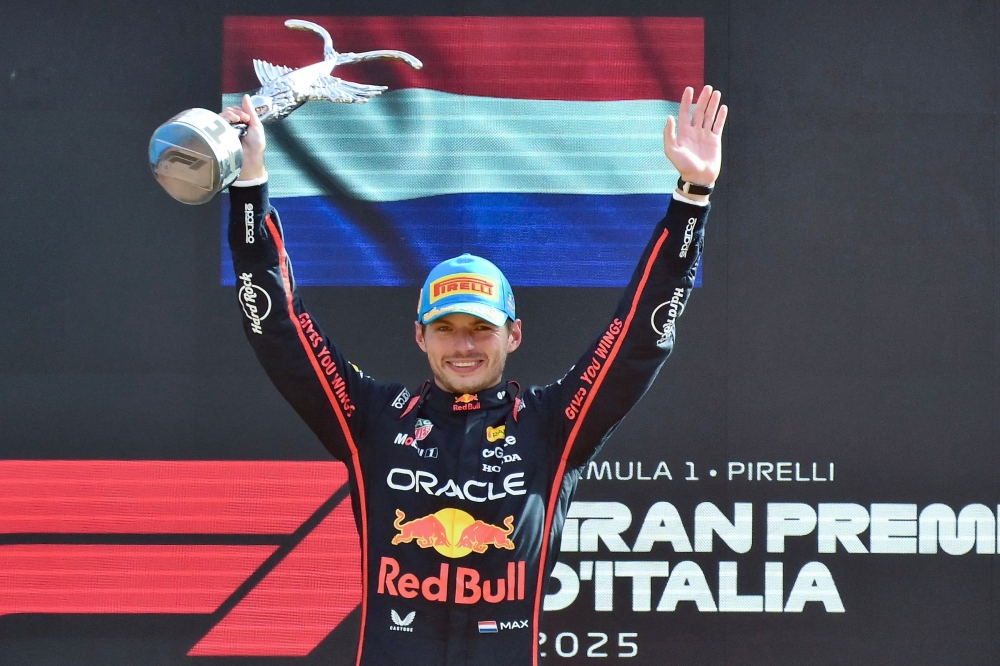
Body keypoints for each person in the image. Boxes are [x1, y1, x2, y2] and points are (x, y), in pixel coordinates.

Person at [221, 84, 726, 666]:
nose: (464, 346)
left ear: (513, 335)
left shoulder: (551, 426)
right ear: (420, 336)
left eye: (481, 329)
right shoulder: (373, 419)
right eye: (447, 328)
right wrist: (250, 182)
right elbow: (277, 327)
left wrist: (692, 198)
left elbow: (641, 337)